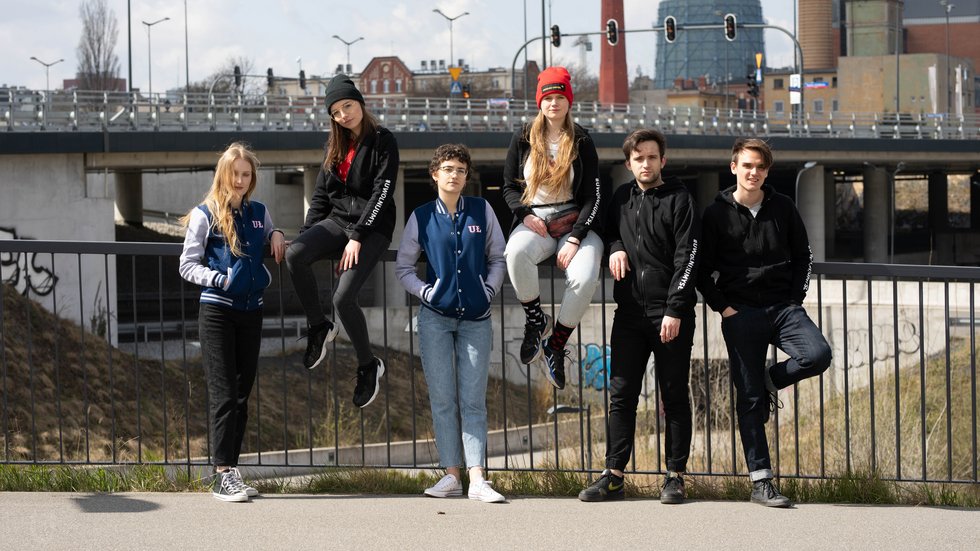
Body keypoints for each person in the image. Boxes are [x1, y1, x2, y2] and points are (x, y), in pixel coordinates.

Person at [697, 138, 832, 508]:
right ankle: (761, 483)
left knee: (817, 355)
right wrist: (723, 308)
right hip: (740, 313)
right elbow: (701, 270)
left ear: (767, 171)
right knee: (750, 399)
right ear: (734, 167)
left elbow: (804, 256)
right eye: (747, 165)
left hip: (783, 308)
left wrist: (795, 299)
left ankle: (771, 379)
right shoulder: (715, 214)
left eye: (760, 166)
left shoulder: (783, 207)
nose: (753, 172)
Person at [578, 129, 700, 504]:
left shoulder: (680, 199)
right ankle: (613, 476)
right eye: (638, 158)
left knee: (674, 395)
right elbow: (606, 231)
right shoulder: (621, 198)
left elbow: (688, 257)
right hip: (629, 315)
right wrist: (615, 247)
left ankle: (674, 477)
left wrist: (675, 309)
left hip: (671, 316)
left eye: (651, 157)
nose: (645, 164)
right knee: (622, 396)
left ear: (663, 160)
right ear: (629, 163)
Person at [395, 144, 507, 503]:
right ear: (435, 174)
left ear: (466, 175)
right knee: (443, 399)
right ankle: (451, 475)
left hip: (477, 319)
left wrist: (488, 290)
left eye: (460, 169)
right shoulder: (422, 217)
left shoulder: (482, 210)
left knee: (473, 400)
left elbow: (498, 257)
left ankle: (477, 478)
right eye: (447, 168)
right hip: (435, 320)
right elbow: (404, 268)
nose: (454, 175)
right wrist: (426, 292)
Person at [178, 142, 286, 502]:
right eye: (235, 174)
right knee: (224, 394)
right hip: (218, 312)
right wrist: (219, 279)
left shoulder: (259, 211)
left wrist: (276, 234)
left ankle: (230, 470)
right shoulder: (204, 214)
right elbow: (187, 265)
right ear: (223, 175)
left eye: (246, 174)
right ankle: (221, 474)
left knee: (241, 395)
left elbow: (270, 233)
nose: (240, 180)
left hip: (251, 312)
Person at [285, 74, 398, 408]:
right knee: (295, 254)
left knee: (343, 298)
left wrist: (358, 237)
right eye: (335, 112)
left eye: (347, 106)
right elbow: (322, 195)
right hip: (338, 221)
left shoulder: (383, 141)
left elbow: (382, 193)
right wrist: (308, 234)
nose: (343, 115)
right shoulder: (333, 145)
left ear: (359, 103)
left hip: (373, 228)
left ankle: (368, 366)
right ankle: (319, 327)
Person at [502, 66, 604, 390]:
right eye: (548, 98)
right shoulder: (523, 137)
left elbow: (593, 196)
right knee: (515, 252)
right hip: (536, 221)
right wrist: (523, 214)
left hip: (575, 222)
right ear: (540, 102)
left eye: (560, 97)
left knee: (585, 276)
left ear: (569, 101)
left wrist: (576, 238)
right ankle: (536, 320)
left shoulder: (582, 139)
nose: (554, 103)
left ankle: (556, 345)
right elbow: (508, 187)